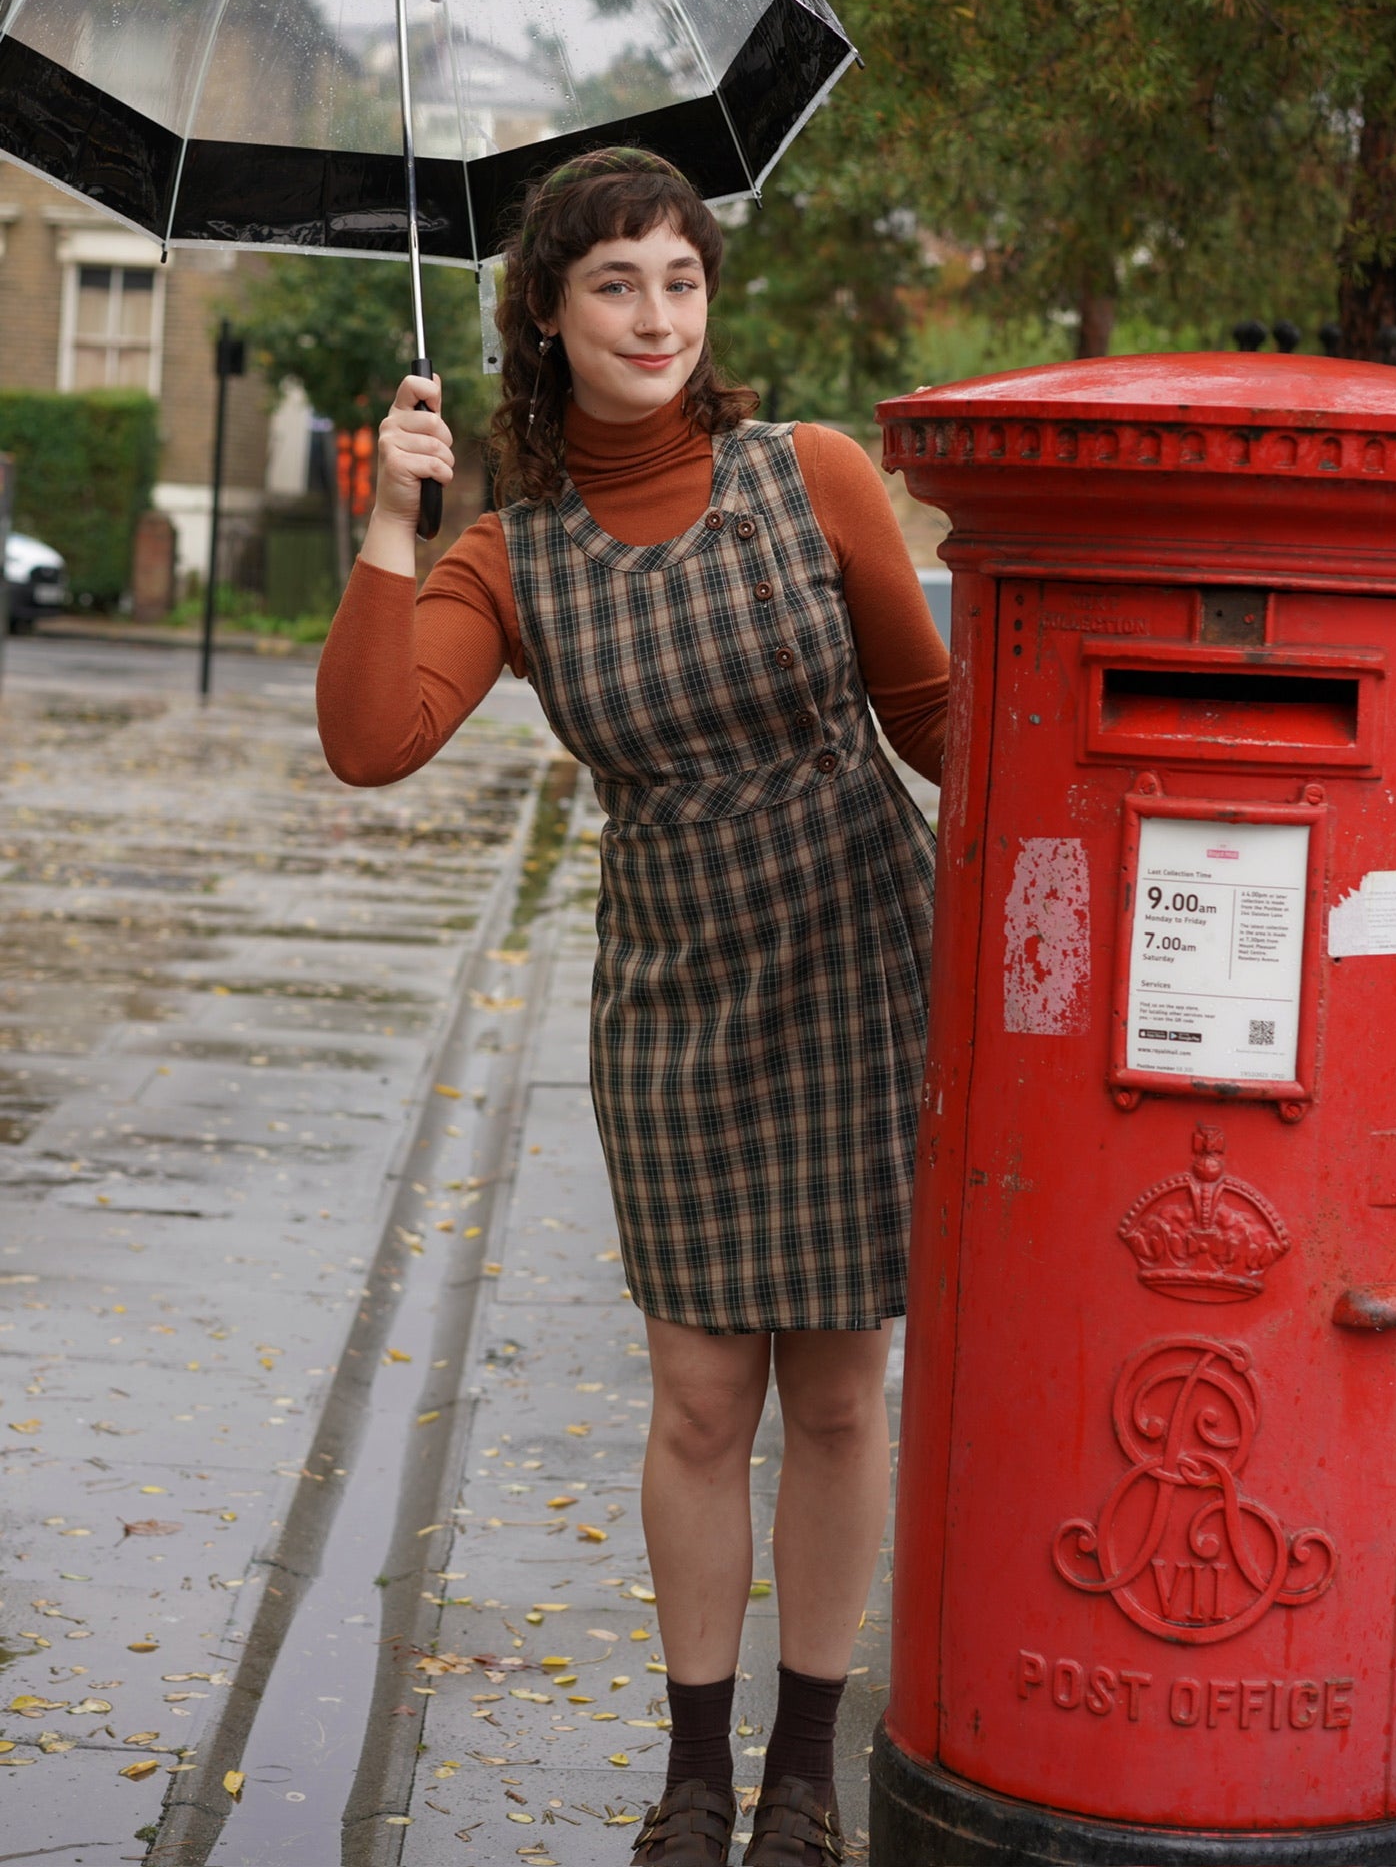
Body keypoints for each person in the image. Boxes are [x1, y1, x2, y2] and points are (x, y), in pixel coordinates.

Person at [315, 147, 947, 1866]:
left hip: (864, 965)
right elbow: (373, 740)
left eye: (681, 278)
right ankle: (692, 1774)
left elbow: (941, 723)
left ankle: (804, 1776)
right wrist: (395, 523)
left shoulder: (806, 475)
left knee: (836, 1398)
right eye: (616, 284)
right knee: (692, 1402)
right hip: (675, 993)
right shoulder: (517, 557)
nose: (656, 313)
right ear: (548, 314)